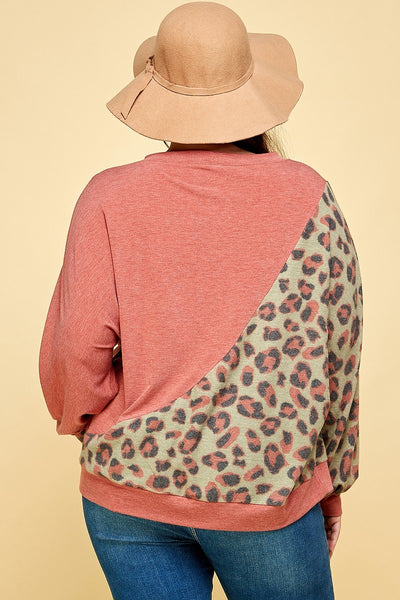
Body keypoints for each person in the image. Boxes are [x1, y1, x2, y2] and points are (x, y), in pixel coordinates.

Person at [38, 2, 363, 599]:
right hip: (264, 493)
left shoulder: (107, 196)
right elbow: (337, 350)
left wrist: (92, 427)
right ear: (254, 91)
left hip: (128, 488)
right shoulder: (308, 193)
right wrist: (332, 476)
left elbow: (75, 350)